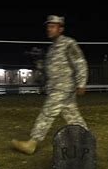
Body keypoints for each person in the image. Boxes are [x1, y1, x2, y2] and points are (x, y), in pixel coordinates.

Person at [11, 15, 88, 155]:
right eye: (48, 26)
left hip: (63, 87)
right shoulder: (52, 49)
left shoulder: (68, 43)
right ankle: (86, 139)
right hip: (57, 87)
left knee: (47, 113)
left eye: (52, 26)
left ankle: (32, 143)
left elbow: (80, 63)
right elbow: (48, 70)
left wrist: (81, 83)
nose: (49, 29)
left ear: (61, 29)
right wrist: (38, 62)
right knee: (72, 115)